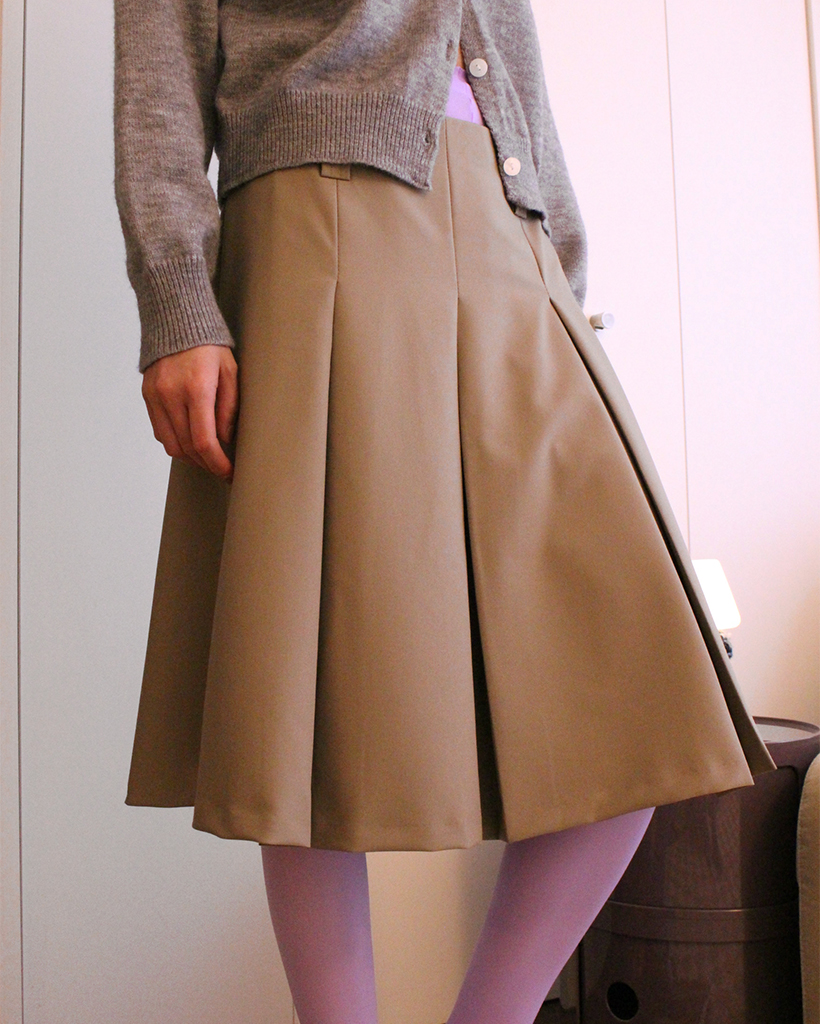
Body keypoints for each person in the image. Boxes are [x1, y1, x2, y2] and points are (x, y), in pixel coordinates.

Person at [114, 3, 774, 1022]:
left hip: (515, 240)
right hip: (323, 228)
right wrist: (178, 303)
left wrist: (557, 256)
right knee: (311, 694)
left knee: (645, 694)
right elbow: (159, 64)